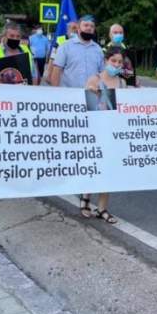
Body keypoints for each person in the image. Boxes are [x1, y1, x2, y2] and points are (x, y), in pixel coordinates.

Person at [80, 47, 128, 223]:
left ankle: (102, 208)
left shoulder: (122, 83)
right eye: (113, 61)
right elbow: (86, 103)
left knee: (108, 170)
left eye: (119, 62)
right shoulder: (95, 79)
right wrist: (91, 90)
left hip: (112, 132)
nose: (116, 65)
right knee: (93, 166)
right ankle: (85, 199)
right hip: (95, 131)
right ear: (106, 61)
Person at [51, 15, 104, 88]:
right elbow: (57, 71)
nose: (89, 28)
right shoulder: (65, 46)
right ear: (78, 29)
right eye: (86, 25)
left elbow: (102, 74)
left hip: (91, 94)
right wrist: (55, 92)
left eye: (92, 26)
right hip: (69, 94)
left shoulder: (98, 49)